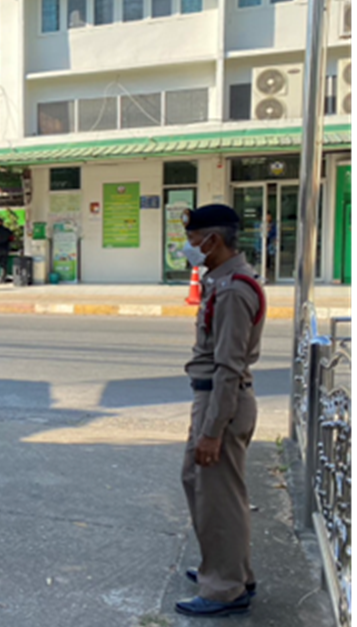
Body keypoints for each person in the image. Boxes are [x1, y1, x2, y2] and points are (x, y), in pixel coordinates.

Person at [177, 204, 267, 619]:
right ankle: (228, 569)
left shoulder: (232, 290)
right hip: (213, 399)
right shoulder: (223, 281)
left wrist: (212, 430)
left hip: (221, 401)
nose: (188, 247)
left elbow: (229, 367)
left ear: (212, 241)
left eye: (193, 240)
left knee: (219, 499)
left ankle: (226, 589)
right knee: (200, 485)